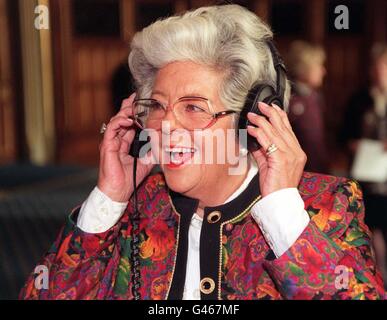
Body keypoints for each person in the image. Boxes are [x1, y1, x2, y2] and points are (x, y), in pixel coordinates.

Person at [20, 5, 384, 300]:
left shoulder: (326, 206)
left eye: (193, 108)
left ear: (251, 119)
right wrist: (108, 199)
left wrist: (282, 213)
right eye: (157, 106)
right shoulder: (130, 209)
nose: (164, 125)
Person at [340, 43, 387, 284]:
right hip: (366, 178)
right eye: (377, 68)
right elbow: (343, 135)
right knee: (368, 229)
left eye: (384, 67)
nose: (380, 73)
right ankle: (375, 278)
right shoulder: (359, 100)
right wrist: (355, 144)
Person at [286, 41, 329, 173]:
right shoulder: (289, 99)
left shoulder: (315, 97)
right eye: (318, 66)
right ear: (303, 68)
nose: (323, 71)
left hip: (319, 169)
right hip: (299, 173)